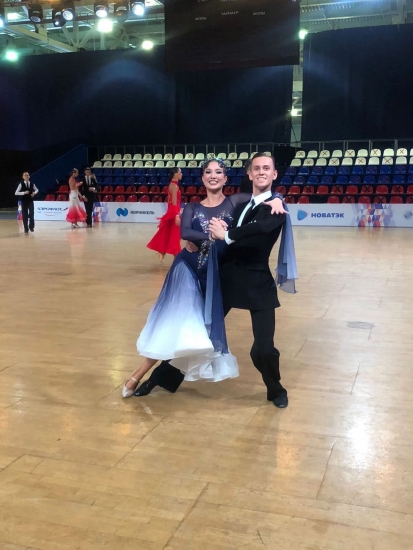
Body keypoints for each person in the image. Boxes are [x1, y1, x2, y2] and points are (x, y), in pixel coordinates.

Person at [132, 153, 297, 409]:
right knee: (198, 335)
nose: (262, 172)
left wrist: (275, 199)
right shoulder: (241, 205)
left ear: (274, 174)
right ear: (250, 174)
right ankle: (160, 379)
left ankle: (276, 390)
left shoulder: (276, 209)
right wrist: (197, 240)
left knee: (263, 349)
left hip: (257, 283)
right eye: (257, 168)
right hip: (226, 280)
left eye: (267, 168)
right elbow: (209, 226)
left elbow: (260, 229)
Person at [146, 168, 183, 262]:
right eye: (180, 172)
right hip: (173, 212)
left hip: (173, 211)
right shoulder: (174, 186)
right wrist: (177, 215)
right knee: (174, 235)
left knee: (169, 233)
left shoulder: (172, 184)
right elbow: (174, 202)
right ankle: (177, 259)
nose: (181, 174)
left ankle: (162, 252)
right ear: (175, 174)